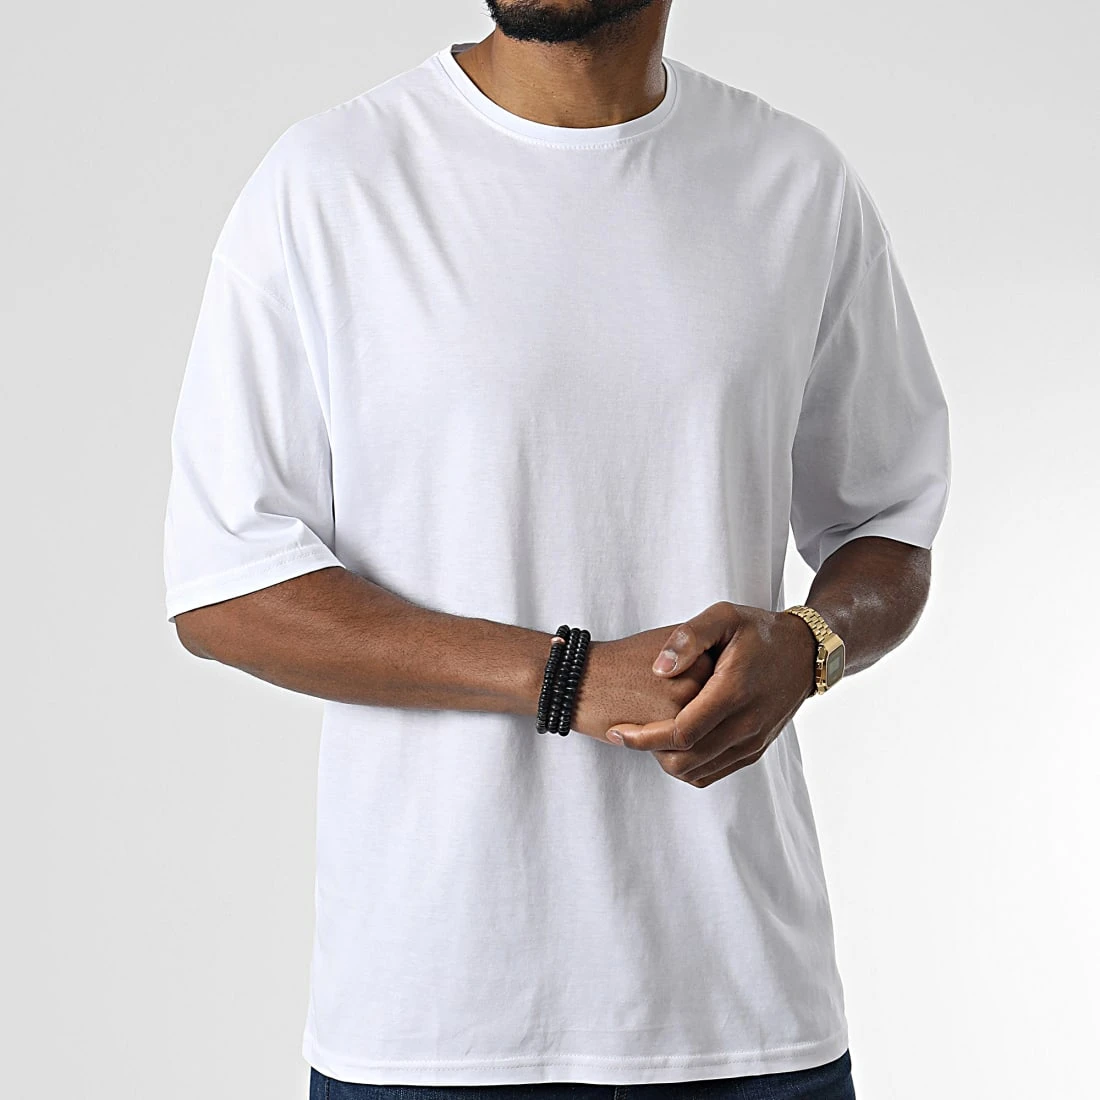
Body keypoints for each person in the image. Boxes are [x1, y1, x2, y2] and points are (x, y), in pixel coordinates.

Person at [163, 2, 950, 1097]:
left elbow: (888, 523)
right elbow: (226, 587)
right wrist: (567, 676)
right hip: (437, 1019)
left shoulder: (794, 184)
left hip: (744, 1006)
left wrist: (811, 643)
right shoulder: (330, 181)